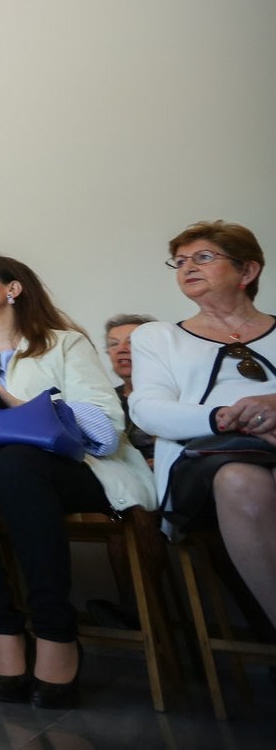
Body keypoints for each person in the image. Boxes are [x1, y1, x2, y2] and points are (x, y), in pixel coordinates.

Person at [0, 255, 154, 709]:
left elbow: (105, 429)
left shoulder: (64, 344)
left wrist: (13, 403)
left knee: (16, 462)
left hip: (76, 470)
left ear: (13, 289)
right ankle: (4, 626)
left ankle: (55, 631)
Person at [130, 221, 276, 634]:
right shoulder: (157, 337)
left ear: (247, 271)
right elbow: (147, 408)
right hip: (206, 459)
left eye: (204, 257)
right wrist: (225, 416)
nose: (188, 267)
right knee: (240, 480)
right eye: (180, 261)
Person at [105, 313, 158, 460]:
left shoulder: (178, 394)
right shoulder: (106, 399)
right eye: (114, 344)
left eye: (132, 342)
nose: (122, 349)